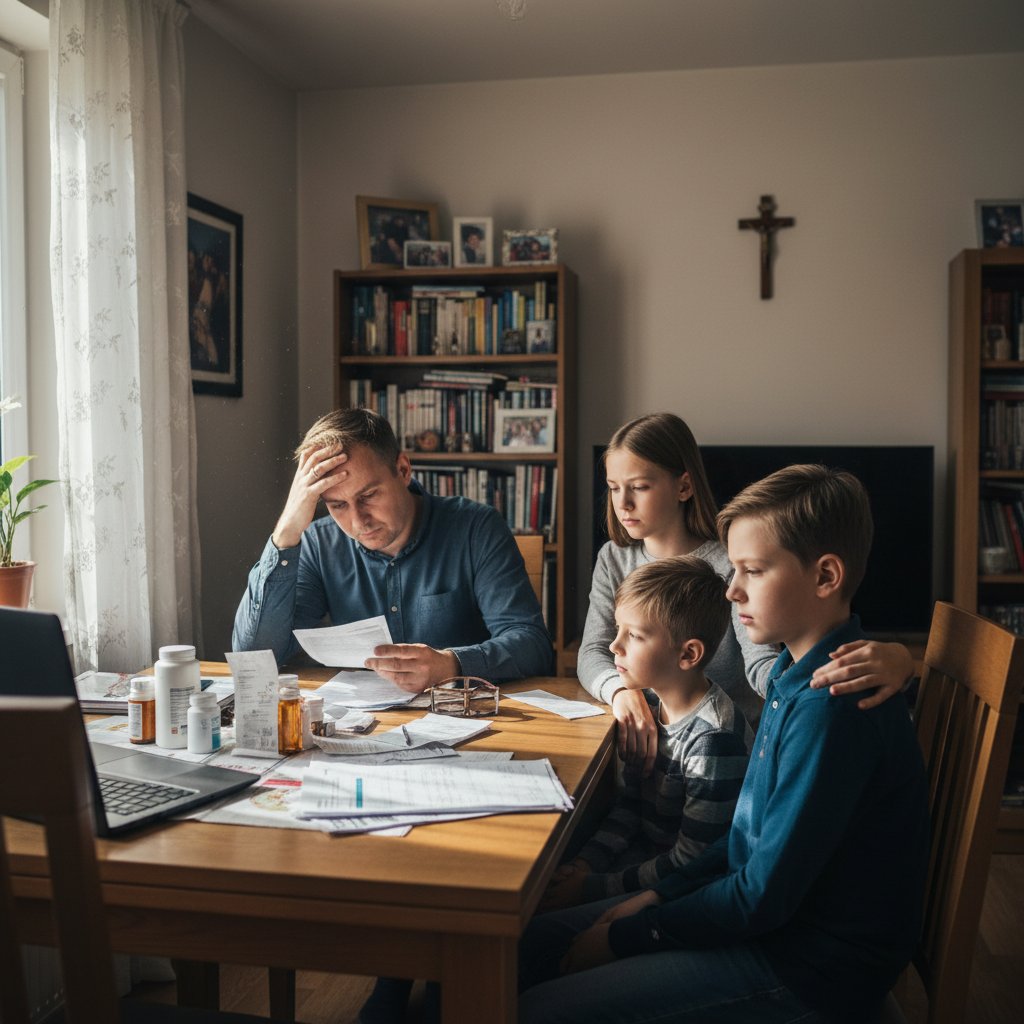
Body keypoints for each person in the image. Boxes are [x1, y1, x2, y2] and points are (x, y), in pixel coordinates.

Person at [518, 464, 930, 1024]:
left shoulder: (834, 708)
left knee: (535, 1008)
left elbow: (760, 895)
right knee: (523, 942)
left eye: (752, 571)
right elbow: (744, 838)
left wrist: (632, 934)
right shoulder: (793, 673)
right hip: (765, 922)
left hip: (801, 967)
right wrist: (657, 898)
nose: (732, 589)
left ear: (826, 575)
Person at [577, 412, 915, 775]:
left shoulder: (731, 565)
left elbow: (762, 666)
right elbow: (594, 650)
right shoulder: (613, 558)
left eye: (639, 487)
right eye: (613, 487)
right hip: (647, 746)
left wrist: (897, 661)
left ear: (684, 487)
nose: (623, 502)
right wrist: (620, 691)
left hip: (721, 756)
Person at [232, 407, 552, 689]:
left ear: (402, 469)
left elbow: (532, 646)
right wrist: (286, 531)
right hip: (362, 729)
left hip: (467, 717)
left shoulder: (476, 528)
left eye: (369, 495)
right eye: (338, 505)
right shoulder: (318, 544)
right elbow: (254, 659)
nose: (358, 521)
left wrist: (452, 664)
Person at [540, 555, 751, 913]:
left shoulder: (712, 741)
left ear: (688, 654)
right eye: (618, 630)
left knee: (540, 933)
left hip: (682, 894)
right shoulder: (653, 707)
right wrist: (588, 863)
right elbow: (631, 806)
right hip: (645, 862)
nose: (614, 646)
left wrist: (589, 888)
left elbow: (692, 864)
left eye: (634, 636)